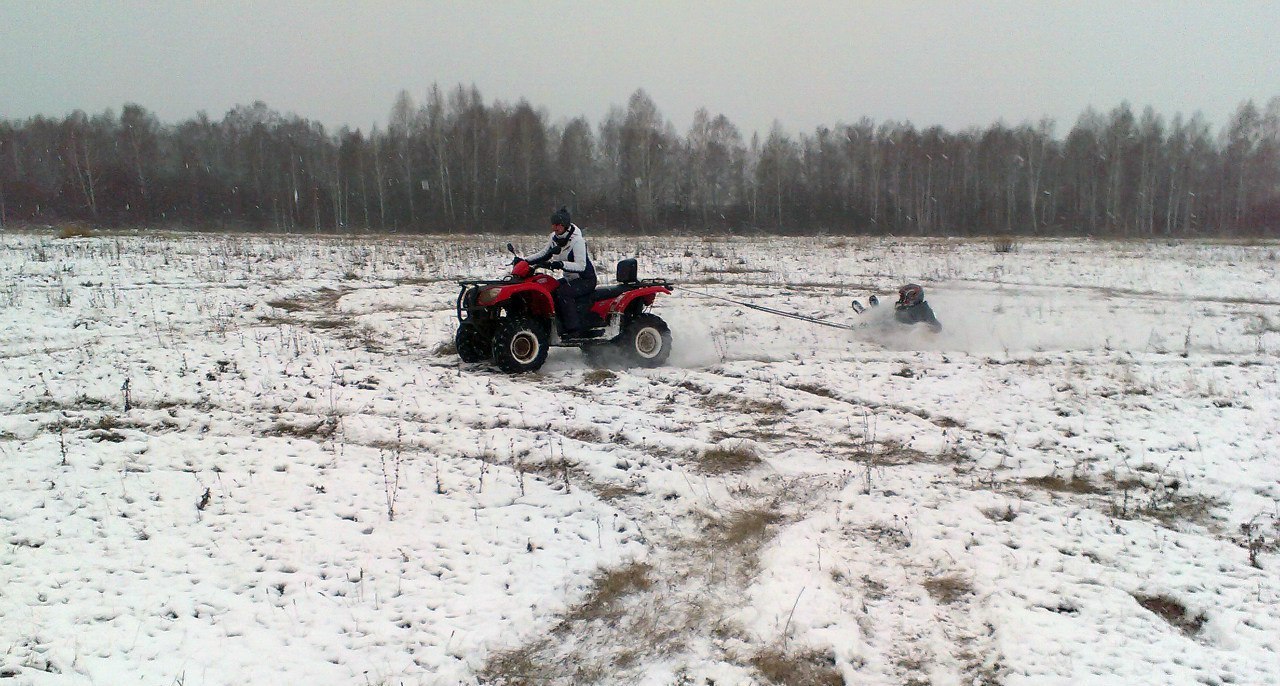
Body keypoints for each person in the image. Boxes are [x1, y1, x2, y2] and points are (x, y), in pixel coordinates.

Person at [526, 206, 597, 336]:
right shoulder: (554, 238)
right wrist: (525, 261)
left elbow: (581, 266)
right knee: (549, 290)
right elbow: (544, 253)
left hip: (585, 279)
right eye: (553, 225)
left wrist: (561, 264)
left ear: (565, 225)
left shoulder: (577, 241)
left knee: (563, 293)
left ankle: (574, 329)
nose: (555, 228)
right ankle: (555, 324)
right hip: (570, 279)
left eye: (558, 225)